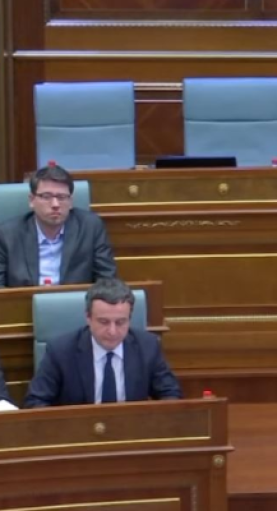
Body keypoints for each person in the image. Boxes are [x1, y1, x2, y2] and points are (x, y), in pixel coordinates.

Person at [24, 277, 182, 407]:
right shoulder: (61, 351)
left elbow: (170, 394)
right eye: (104, 322)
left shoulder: (148, 346)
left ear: (130, 319)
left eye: (120, 322)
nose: (112, 331)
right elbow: (35, 402)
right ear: (88, 318)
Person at [0, 164, 117, 287]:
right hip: (24, 299)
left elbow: (107, 281)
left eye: (62, 197)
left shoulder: (90, 227)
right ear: (31, 200)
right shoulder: (7, 234)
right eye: (46, 197)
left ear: (70, 201)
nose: (55, 204)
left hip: (76, 299)